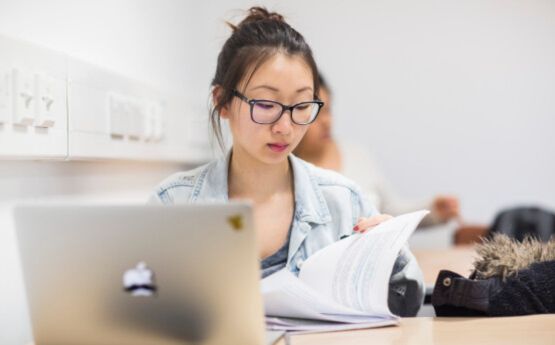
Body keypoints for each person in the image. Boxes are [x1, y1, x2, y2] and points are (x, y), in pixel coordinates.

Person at [150, 7, 424, 316]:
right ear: (222, 101)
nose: (285, 127)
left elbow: (408, 302)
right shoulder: (173, 204)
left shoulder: (343, 201)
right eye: (266, 104)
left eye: (301, 105)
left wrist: (390, 253)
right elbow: (136, 311)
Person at [294, 75, 460, 228]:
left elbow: (389, 212)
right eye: (317, 114)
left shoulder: (356, 154)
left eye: (328, 110)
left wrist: (432, 212)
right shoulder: (286, 172)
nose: (327, 121)